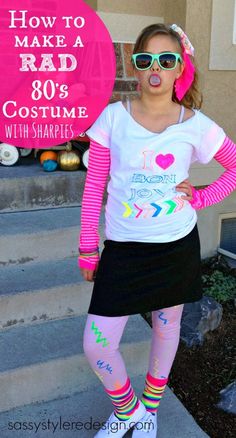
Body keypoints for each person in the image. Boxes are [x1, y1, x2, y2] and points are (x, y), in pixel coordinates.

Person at [78, 23, 236, 437]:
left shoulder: (196, 124)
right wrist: (87, 247)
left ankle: (149, 411)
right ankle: (127, 409)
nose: (155, 68)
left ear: (179, 68)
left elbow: (233, 168)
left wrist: (201, 197)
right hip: (123, 250)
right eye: (146, 59)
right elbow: (95, 185)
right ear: (134, 65)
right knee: (97, 344)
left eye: (166, 60)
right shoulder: (113, 117)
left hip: (175, 247)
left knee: (166, 332)